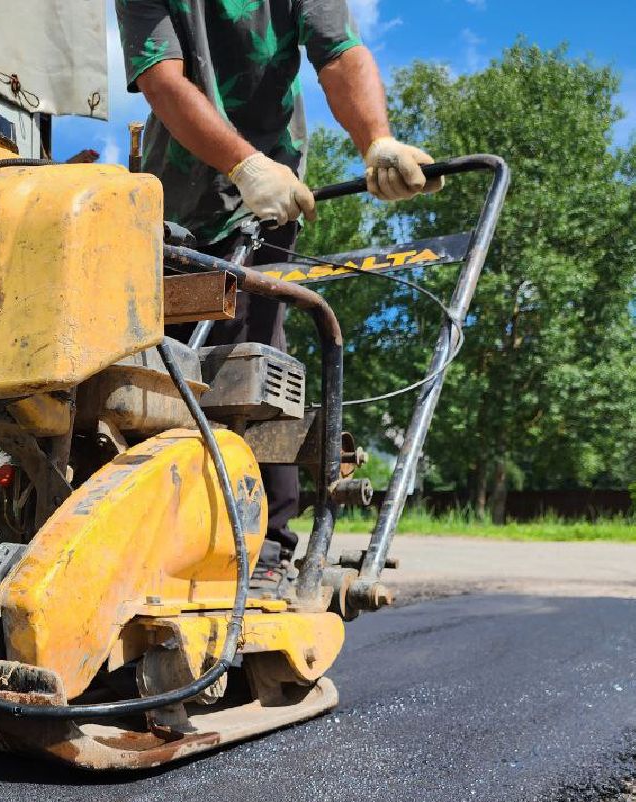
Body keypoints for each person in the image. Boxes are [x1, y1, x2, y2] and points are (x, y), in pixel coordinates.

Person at [118, 0, 441, 584]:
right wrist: (243, 165)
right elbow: (161, 81)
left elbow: (339, 55)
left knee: (255, 364)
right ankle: (160, 538)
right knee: (163, 378)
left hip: (272, 201)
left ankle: (266, 549)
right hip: (175, 207)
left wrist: (377, 142)